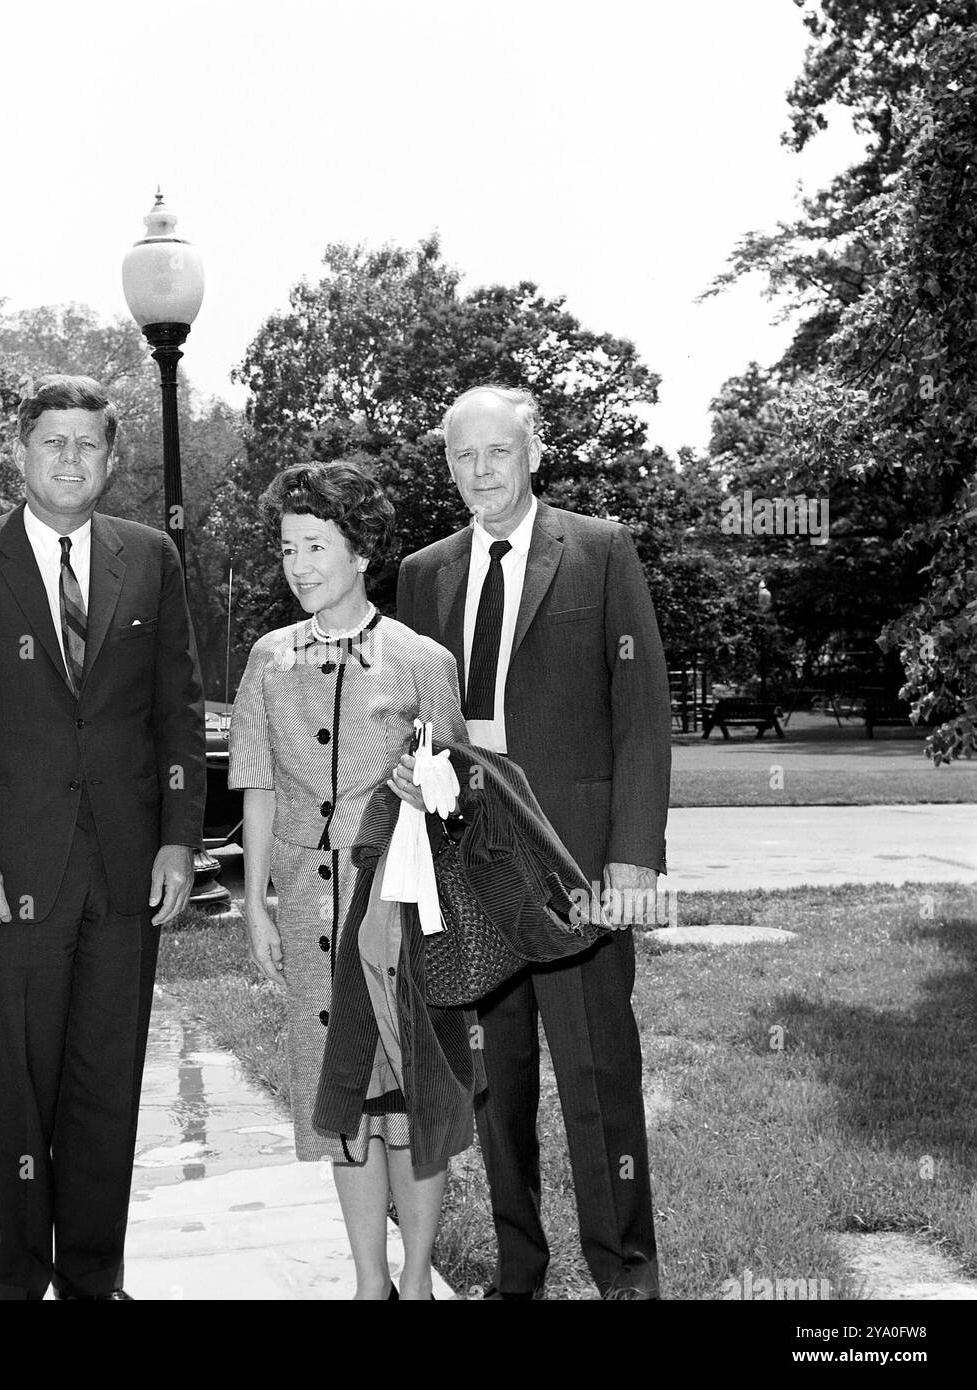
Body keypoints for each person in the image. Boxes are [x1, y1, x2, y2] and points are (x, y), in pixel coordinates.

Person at [0, 374, 205, 1300]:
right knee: (23, 1081)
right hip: (11, 869)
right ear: (21, 452)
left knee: (107, 1080)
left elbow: (177, 709)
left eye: (88, 443)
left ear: (111, 460)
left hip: (125, 865)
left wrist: (179, 839)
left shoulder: (149, 556)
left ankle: (92, 1274)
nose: (71, 459)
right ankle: (20, 1276)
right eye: (53, 441)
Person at [394, 384, 671, 1301]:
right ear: (449, 465)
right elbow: (414, 719)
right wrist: (410, 775)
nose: (481, 471)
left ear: (533, 453)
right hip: (470, 862)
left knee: (598, 1072)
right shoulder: (424, 573)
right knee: (494, 1083)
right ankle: (520, 1276)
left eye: (498, 452)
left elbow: (642, 715)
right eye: (463, 455)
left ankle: (625, 1274)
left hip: (577, 862)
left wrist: (634, 857)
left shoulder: (599, 550)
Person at [228, 461, 479, 1301]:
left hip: (399, 913)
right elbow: (258, 785)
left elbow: (460, 794)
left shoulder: (421, 660)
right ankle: (370, 1281)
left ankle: (416, 1278)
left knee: (409, 1095)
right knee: (343, 1099)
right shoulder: (269, 659)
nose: (298, 567)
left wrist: (429, 787)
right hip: (310, 910)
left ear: (361, 552)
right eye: (286, 549)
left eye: (315, 547)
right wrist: (256, 904)